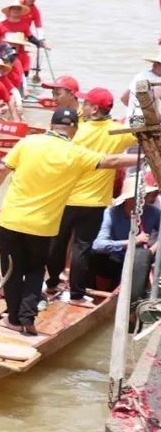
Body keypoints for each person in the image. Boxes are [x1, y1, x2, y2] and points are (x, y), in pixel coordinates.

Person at [0, 108, 141, 334]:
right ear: (74, 129)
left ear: (51, 124)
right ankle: (27, 316)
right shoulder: (76, 153)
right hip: (43, 226)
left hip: (11, 221)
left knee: (12, 270)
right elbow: (113, 160)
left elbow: (0, 170)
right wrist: (145, 156)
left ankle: (14, 320)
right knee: (36, 269)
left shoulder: (28, 142)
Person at [44, 88, 139, 300]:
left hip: (66, 197)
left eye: (86, 104)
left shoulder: (78, 130)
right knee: (82, 247)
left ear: (94, 108)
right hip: (94, 202)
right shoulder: (118, 131)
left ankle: (51, 284)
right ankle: (77, 294)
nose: (82, 107)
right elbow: (143, 136)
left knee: (57, 243)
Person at [92, 181, 161, 302]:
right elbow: (98, 245)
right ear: (129, 199)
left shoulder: (153, 212)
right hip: (116, 260)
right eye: (142, 197)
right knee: (95, 257)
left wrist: (150, 252)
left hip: (141, 262)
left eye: (146, 196)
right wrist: (131, 242)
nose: (146, 200)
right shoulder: (112, 213)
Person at [121, 49, 161, 120]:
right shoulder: (158, 80)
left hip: (131, 120)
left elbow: (124, 98)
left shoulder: (141, 74)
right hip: (146, 121)